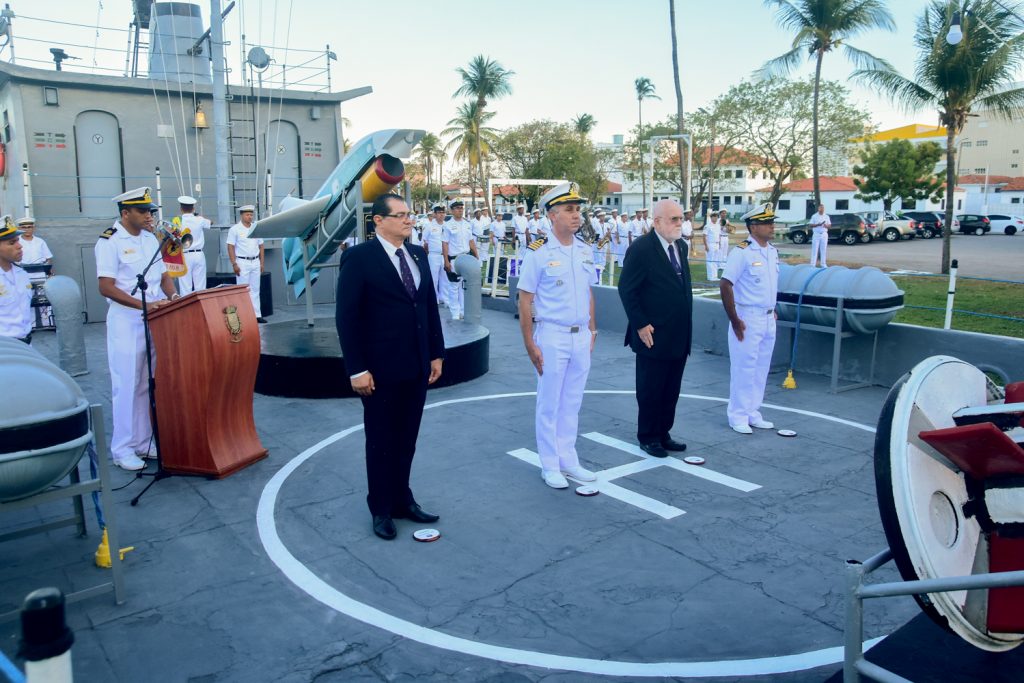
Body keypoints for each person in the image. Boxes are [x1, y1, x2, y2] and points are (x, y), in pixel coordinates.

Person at [335, 193, 445, 540]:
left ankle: (402, 499)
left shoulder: (417, 254)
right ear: (378, 221)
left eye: (409, 214)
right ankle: (380, 507)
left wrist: (436, 353)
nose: (408, 220)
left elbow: (428, 308)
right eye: (399, 216)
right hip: (379, 371)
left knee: (407, 439)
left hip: (416, 366)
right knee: (381, 440)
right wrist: (357, 369)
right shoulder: (359, 258)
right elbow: (347, 318)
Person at [517, 182, 598, 489]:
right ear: (552, 215)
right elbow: (525, 299)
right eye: (569, 210)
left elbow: (588, 291)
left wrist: (592, 328)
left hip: (580, 336)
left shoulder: (584, 250)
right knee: (549, 402)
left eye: (578, 209)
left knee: (572, 401)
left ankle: (569, 459)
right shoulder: (538, 252)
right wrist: (529, 344)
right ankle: (550, 464)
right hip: (551, 335)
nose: (576, 215)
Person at [95, 187, 179, 470]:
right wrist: (142, 306)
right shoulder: (110, 241)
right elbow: (105, 287)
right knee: (126, 385)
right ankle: (122, 449)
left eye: (150, 211)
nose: (149, 216)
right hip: (126, 322)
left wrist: (174, 297)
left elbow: (164, 275)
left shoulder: (149, 239)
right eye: (143, 211)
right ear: (125, 213)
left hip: (155, 319)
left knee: (146, 384)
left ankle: (143, 442)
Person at [617, 198, 693, 458]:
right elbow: (627, 289)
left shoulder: (680, 246)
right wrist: (640, 324)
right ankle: (648, 436)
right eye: (674, 219)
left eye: (680, 219)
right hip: (652, 334)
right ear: (657, 221)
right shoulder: (641, 249)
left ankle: (663, 432)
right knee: (651, 388)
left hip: (678, 334)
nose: (679, 223)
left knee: (671, 388)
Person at [720, 203, 780, 434]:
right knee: (744, 368)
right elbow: (726, 285)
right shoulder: (742, 252)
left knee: (761, 368)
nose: (772, 226)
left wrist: (772, 309)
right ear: (754, 227)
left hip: (767, 317)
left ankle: (753, 411)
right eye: (767, 223)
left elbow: (770, 285)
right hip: (747, 317)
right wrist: (734, 319)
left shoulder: (772, 251)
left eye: (772, 222)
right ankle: (738, 415)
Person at [226, 205, 266, 323]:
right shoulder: (235, 229)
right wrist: (234, 264)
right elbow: (230, 246)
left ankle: (257, 315)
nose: (250, 217)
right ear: (242, 215)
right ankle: (244, 315)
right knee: (243, 290)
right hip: (242, 261)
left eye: (251, 214)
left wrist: (262, 263)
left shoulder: (255, 227)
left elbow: (261, 246)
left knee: (255, 289)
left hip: (255, 261)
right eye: (247, 214)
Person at [442, 200, 478, 320]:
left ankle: (463, 311)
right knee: (453, 286)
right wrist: (446, 261)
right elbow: (445, 244)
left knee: (464, 286)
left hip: (466, 257)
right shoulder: (447, 225)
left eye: (461, 208)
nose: (460, 210)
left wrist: (476, 256)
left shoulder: (467, 224)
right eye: (457, 208)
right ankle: (455, 313)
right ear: (452, 210)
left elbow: (471, 241)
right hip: (454, 259)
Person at [0, 217, 33, 344]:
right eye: (12, 243)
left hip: (26, 344)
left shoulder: (22, 274)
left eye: (18, 241)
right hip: (5, 349)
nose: (20, 246)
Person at [176, 196, 211, 295]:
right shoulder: (199, 219)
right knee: (200, 286)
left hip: (184, 254)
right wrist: (198, 216)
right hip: (199, 254)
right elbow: (211, 223)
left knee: (185, 286)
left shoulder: (177, 221)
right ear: (193, 208)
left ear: (181, 209)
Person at [422, 204, 447, 304]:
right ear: (435, 214)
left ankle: (444, 298)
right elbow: (424, 241)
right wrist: (427, 252)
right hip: (434, 255)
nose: (441, 215)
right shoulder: (429, 226)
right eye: (439, 213)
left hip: (444, 255)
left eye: (443, 212)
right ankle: (434, 298)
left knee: (445, 278)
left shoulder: (447, 225)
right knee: (434, 278)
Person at [16, 217, 53, 281]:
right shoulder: (16, 242)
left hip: (40, 275)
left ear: (33, 228)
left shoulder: (40, 241)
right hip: (22, 274)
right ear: (19, 228)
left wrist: (49, 272)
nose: (27, 230)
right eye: (24, 227)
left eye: (29, 227)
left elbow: (48, 258)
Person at [511, 204, 530, 275]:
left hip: (524, 236)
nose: (522, 210)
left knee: (524, 251)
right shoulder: (515, 218)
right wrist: (513, 239)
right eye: (521, 209)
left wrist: (528, 239)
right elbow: (513, 229)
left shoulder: (525, 218)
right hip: (517, 235)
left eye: (523, 209)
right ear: (518, 210)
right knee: (517, 251)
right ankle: (516, 266)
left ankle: (522, 266)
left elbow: (527, 229)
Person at [809, 203, 830, 268]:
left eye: (823, 208)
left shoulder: (826, 216)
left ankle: (823, 264)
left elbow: (829, 225)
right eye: (821, 208)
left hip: (824, 234)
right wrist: (817, 225)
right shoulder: (814, 216)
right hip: (816, 234)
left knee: (823, 249)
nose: (822, 209)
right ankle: (812, 264)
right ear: (818, 209)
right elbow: (811, 225)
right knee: (815, 249)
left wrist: (826, 225)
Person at [704, 209, 721, 281]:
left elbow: (719, 235)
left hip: (717, 244)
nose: (715, 218)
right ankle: (710, 276)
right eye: (714, 216)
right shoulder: (707, 226)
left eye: (717, 216)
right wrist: (706, 246)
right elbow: (704, 236)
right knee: (710, 260)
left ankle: (715, 276)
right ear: (711, 217)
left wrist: (719, 244)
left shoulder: (718, 226)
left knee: (716, 260)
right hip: (710, 244)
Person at [718, 209, 731, 275]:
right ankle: (720, 265)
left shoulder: (727, 220)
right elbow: (719, 228)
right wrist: (723, 226)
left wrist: (729, 227)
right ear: (720, 214)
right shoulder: (718, 220)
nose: (724, 214)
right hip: (721, 236)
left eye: (725, 213)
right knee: (720, 251)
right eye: (723, 213)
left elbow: (729, 230)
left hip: (726, 237)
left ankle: (724, 265)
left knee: (725, 251)